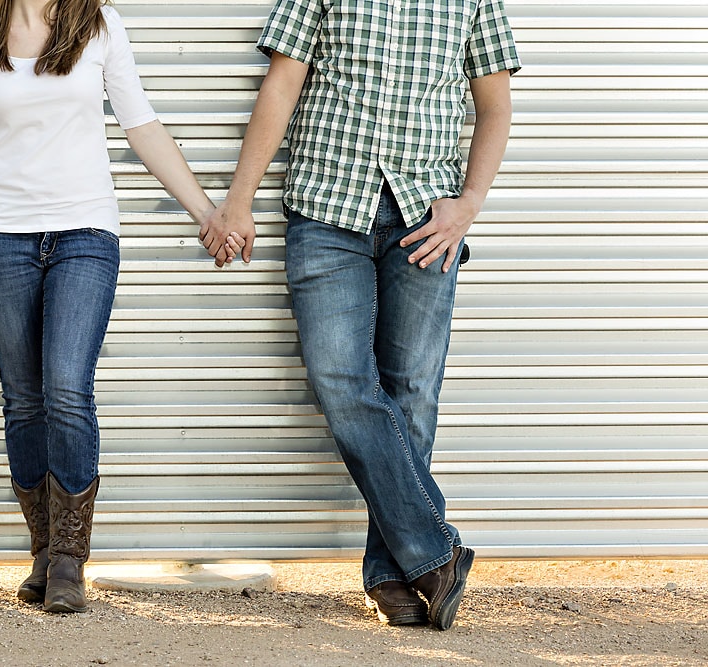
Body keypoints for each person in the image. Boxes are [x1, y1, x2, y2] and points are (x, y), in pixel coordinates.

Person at [201, 0, 520, 630]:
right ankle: (435, 553)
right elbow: (283, 82)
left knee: (413, 393)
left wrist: (470, 205)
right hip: (326, 210)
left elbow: (494, 104)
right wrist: (239, 201)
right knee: (340, 380)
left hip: (427, 217)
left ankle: (392, 571)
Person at [0, 0, 215, 613]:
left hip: (86, 234)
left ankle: (69, 560)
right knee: (23, 398)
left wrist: (206, 212)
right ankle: (42, 551)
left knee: (67, 386)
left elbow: (141, 125)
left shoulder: (99, 23)